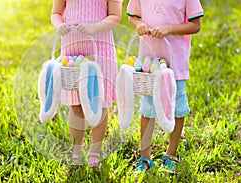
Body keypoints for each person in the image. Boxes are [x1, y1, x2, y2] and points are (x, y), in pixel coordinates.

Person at [127, 0, 204, 171]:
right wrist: (139, 24)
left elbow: (195, 25)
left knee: (177, 106)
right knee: (148, 108)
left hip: (175, 61)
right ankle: (144, 155)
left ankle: (171, 153)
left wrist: (169, 28)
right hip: (149, 59)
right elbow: (132, 17)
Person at [51, 0, 122, 167]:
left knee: (99, 101)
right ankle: (76, 151)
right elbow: (56, 13)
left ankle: (95, 152)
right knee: (75, 103)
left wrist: (94, 27)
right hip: (72, 46)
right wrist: (59, 25)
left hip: (100, 47)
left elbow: (115, 16)